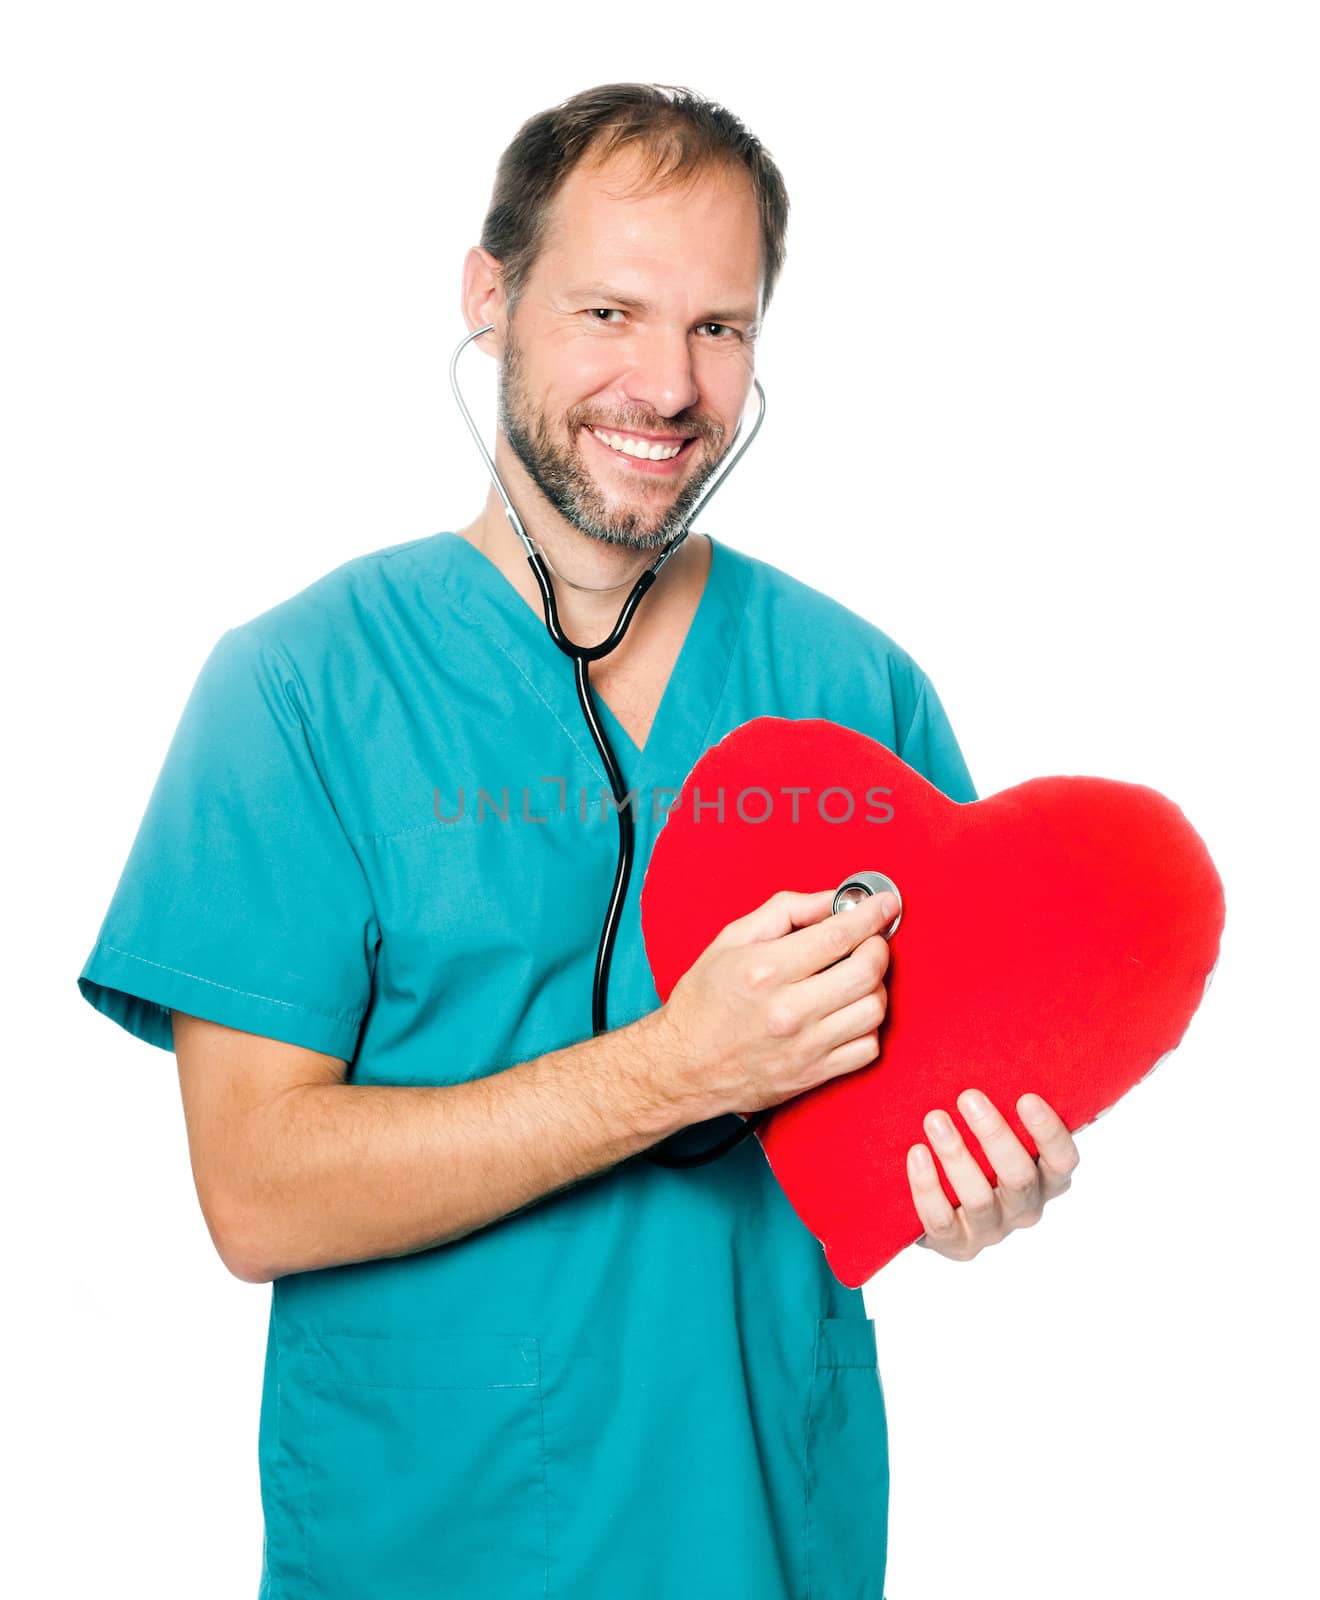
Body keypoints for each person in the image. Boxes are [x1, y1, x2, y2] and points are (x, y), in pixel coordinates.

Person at [76, 81, 1079, 1600]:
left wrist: (965, 1192)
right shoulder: (299, 688)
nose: (667, 387)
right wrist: (679, 1069)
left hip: (765, 1540)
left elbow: (915, 1138)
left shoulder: (856, 692)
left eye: (720, 328)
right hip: (422, 1545)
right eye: (610, 311)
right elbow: (258, 1193)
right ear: (492, 298)